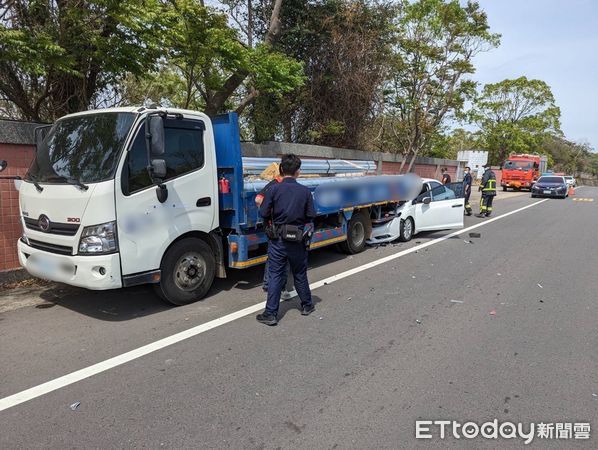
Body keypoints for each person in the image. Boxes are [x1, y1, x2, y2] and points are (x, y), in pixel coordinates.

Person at [256, 154, 317, 326]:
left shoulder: (274, 189)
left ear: (281, 170)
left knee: (275, 275)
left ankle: (271, 314)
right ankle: (307, 305)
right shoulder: (305, 192)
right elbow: (311, 216)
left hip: (278, 240)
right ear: (298, 172)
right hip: (297, 239)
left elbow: (263, 212)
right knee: (299, 273)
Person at [255, 169, 293, 298]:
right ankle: (281, 289)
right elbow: (259, 199)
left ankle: (267, 284)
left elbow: (259, 200)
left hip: (273, 226)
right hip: (279, 226)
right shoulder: (278, 185)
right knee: (284, 256)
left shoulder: (273, 185)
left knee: (273, 255)